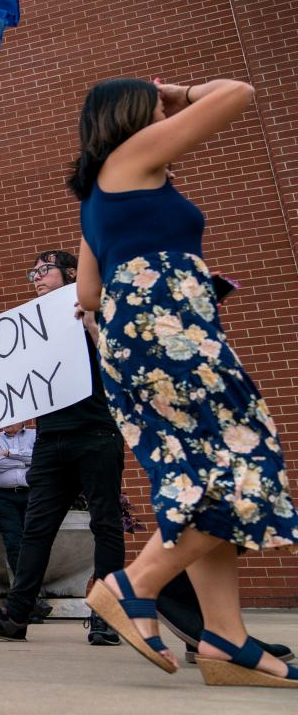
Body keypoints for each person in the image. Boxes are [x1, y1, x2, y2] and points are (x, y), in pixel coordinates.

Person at [73, 76, 298, 687]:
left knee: (196, 478)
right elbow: (240, 93)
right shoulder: (132, 157)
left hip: (134, 339)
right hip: (168, 332)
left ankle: (225, 638)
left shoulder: (98, 191)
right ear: (131, 113)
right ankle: (132, 586)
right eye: (149, 103)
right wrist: (179, 90)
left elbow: (87, 293)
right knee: (246, 459)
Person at [0, 250, 125, 646]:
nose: (36, 277)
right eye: (32, 272)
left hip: (96, 432)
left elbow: (121, 363)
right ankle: (16, 616)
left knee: (105, 523)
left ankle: (106, 617)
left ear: (71, 274)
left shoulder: (97, 308)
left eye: (44, 270)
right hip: (50, 439)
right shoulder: (30, 328)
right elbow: (5, 381)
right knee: (36, 530)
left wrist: (91, 323)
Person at [0, 422, 35, 583]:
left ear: (21, 420)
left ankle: (32, 589)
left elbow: (39, 457)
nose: (5, 422)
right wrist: (23, 462)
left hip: (31, 496)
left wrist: (9, 453)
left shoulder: (34, 435)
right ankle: (25, 590)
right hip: (4, 498)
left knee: (34, 542)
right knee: (14, 543)